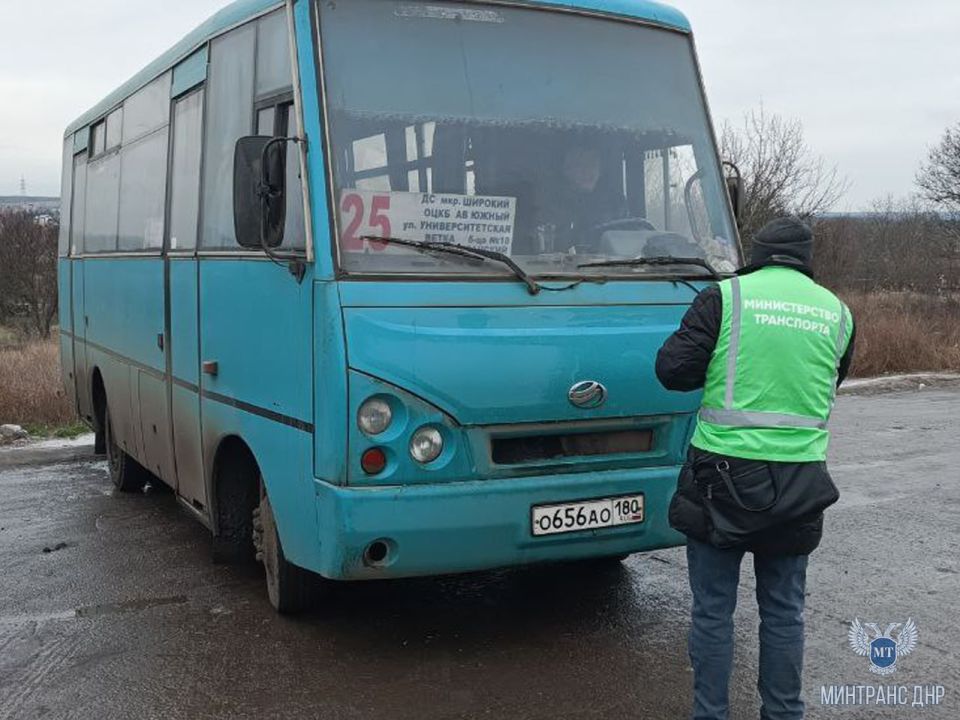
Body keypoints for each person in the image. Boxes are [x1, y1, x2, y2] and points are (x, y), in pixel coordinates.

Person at [655, 216, 856, 720]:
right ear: (807, 260)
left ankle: (711, 714)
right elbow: (828, 384)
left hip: (719, 481)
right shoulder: (837, 313)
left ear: (757, 254)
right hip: (799, 484)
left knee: (713, 613)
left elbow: (672, 371)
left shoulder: (724, 298)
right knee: (785, 613)